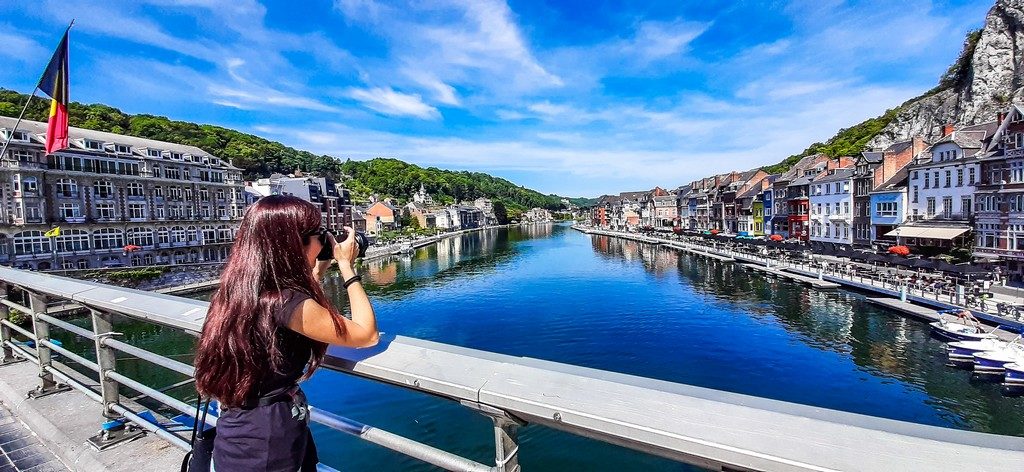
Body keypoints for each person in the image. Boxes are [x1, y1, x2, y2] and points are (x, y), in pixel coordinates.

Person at [193, 195, 379, 471]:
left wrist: (318, 268)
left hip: (240, 430)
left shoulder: (235, 293)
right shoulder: (285, 302)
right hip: (268, 441)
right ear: (294, 244)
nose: (324, 240)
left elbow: (298, 313)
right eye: (319, 234)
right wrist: (347, 268)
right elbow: (366, 334)